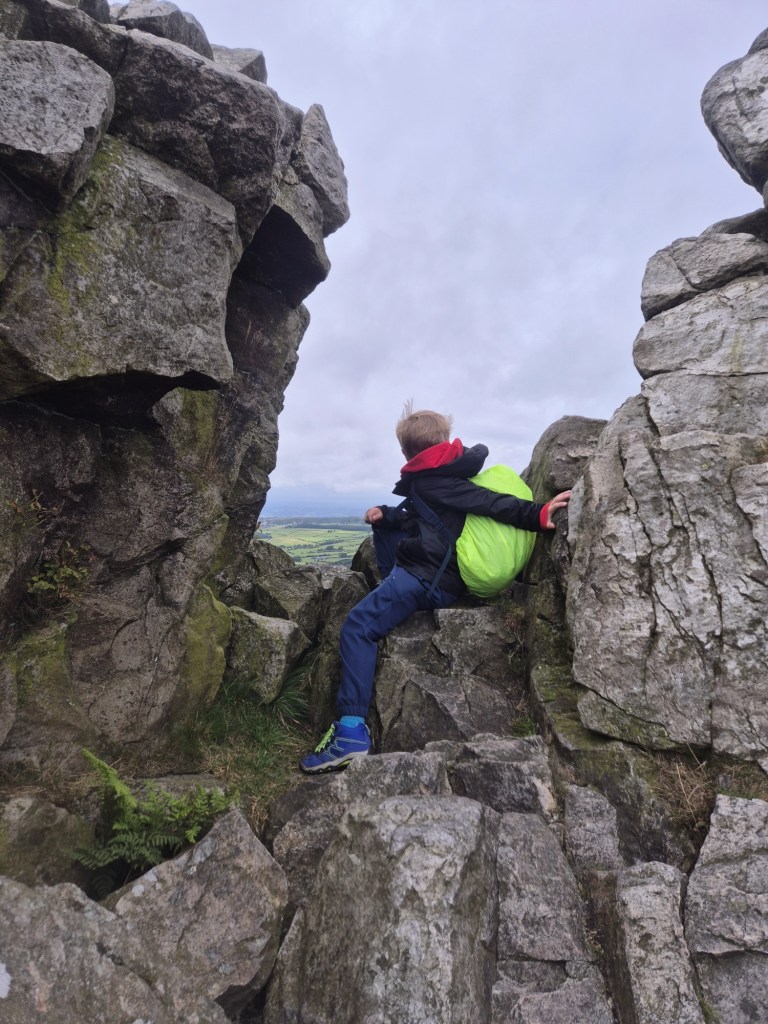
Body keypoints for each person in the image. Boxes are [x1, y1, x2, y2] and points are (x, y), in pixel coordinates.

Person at [299, 404, 571, 774]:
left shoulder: (432, 479)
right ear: (444, 440)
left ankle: (350, 733)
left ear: (406, 452)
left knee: (358, 627)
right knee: (386, 533)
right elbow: (423, 516)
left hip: (427, 579)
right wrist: (385, 513)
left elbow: (487, 504)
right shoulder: (446, 470)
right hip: (441, 575)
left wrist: (537, 514)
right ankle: (391, 596)